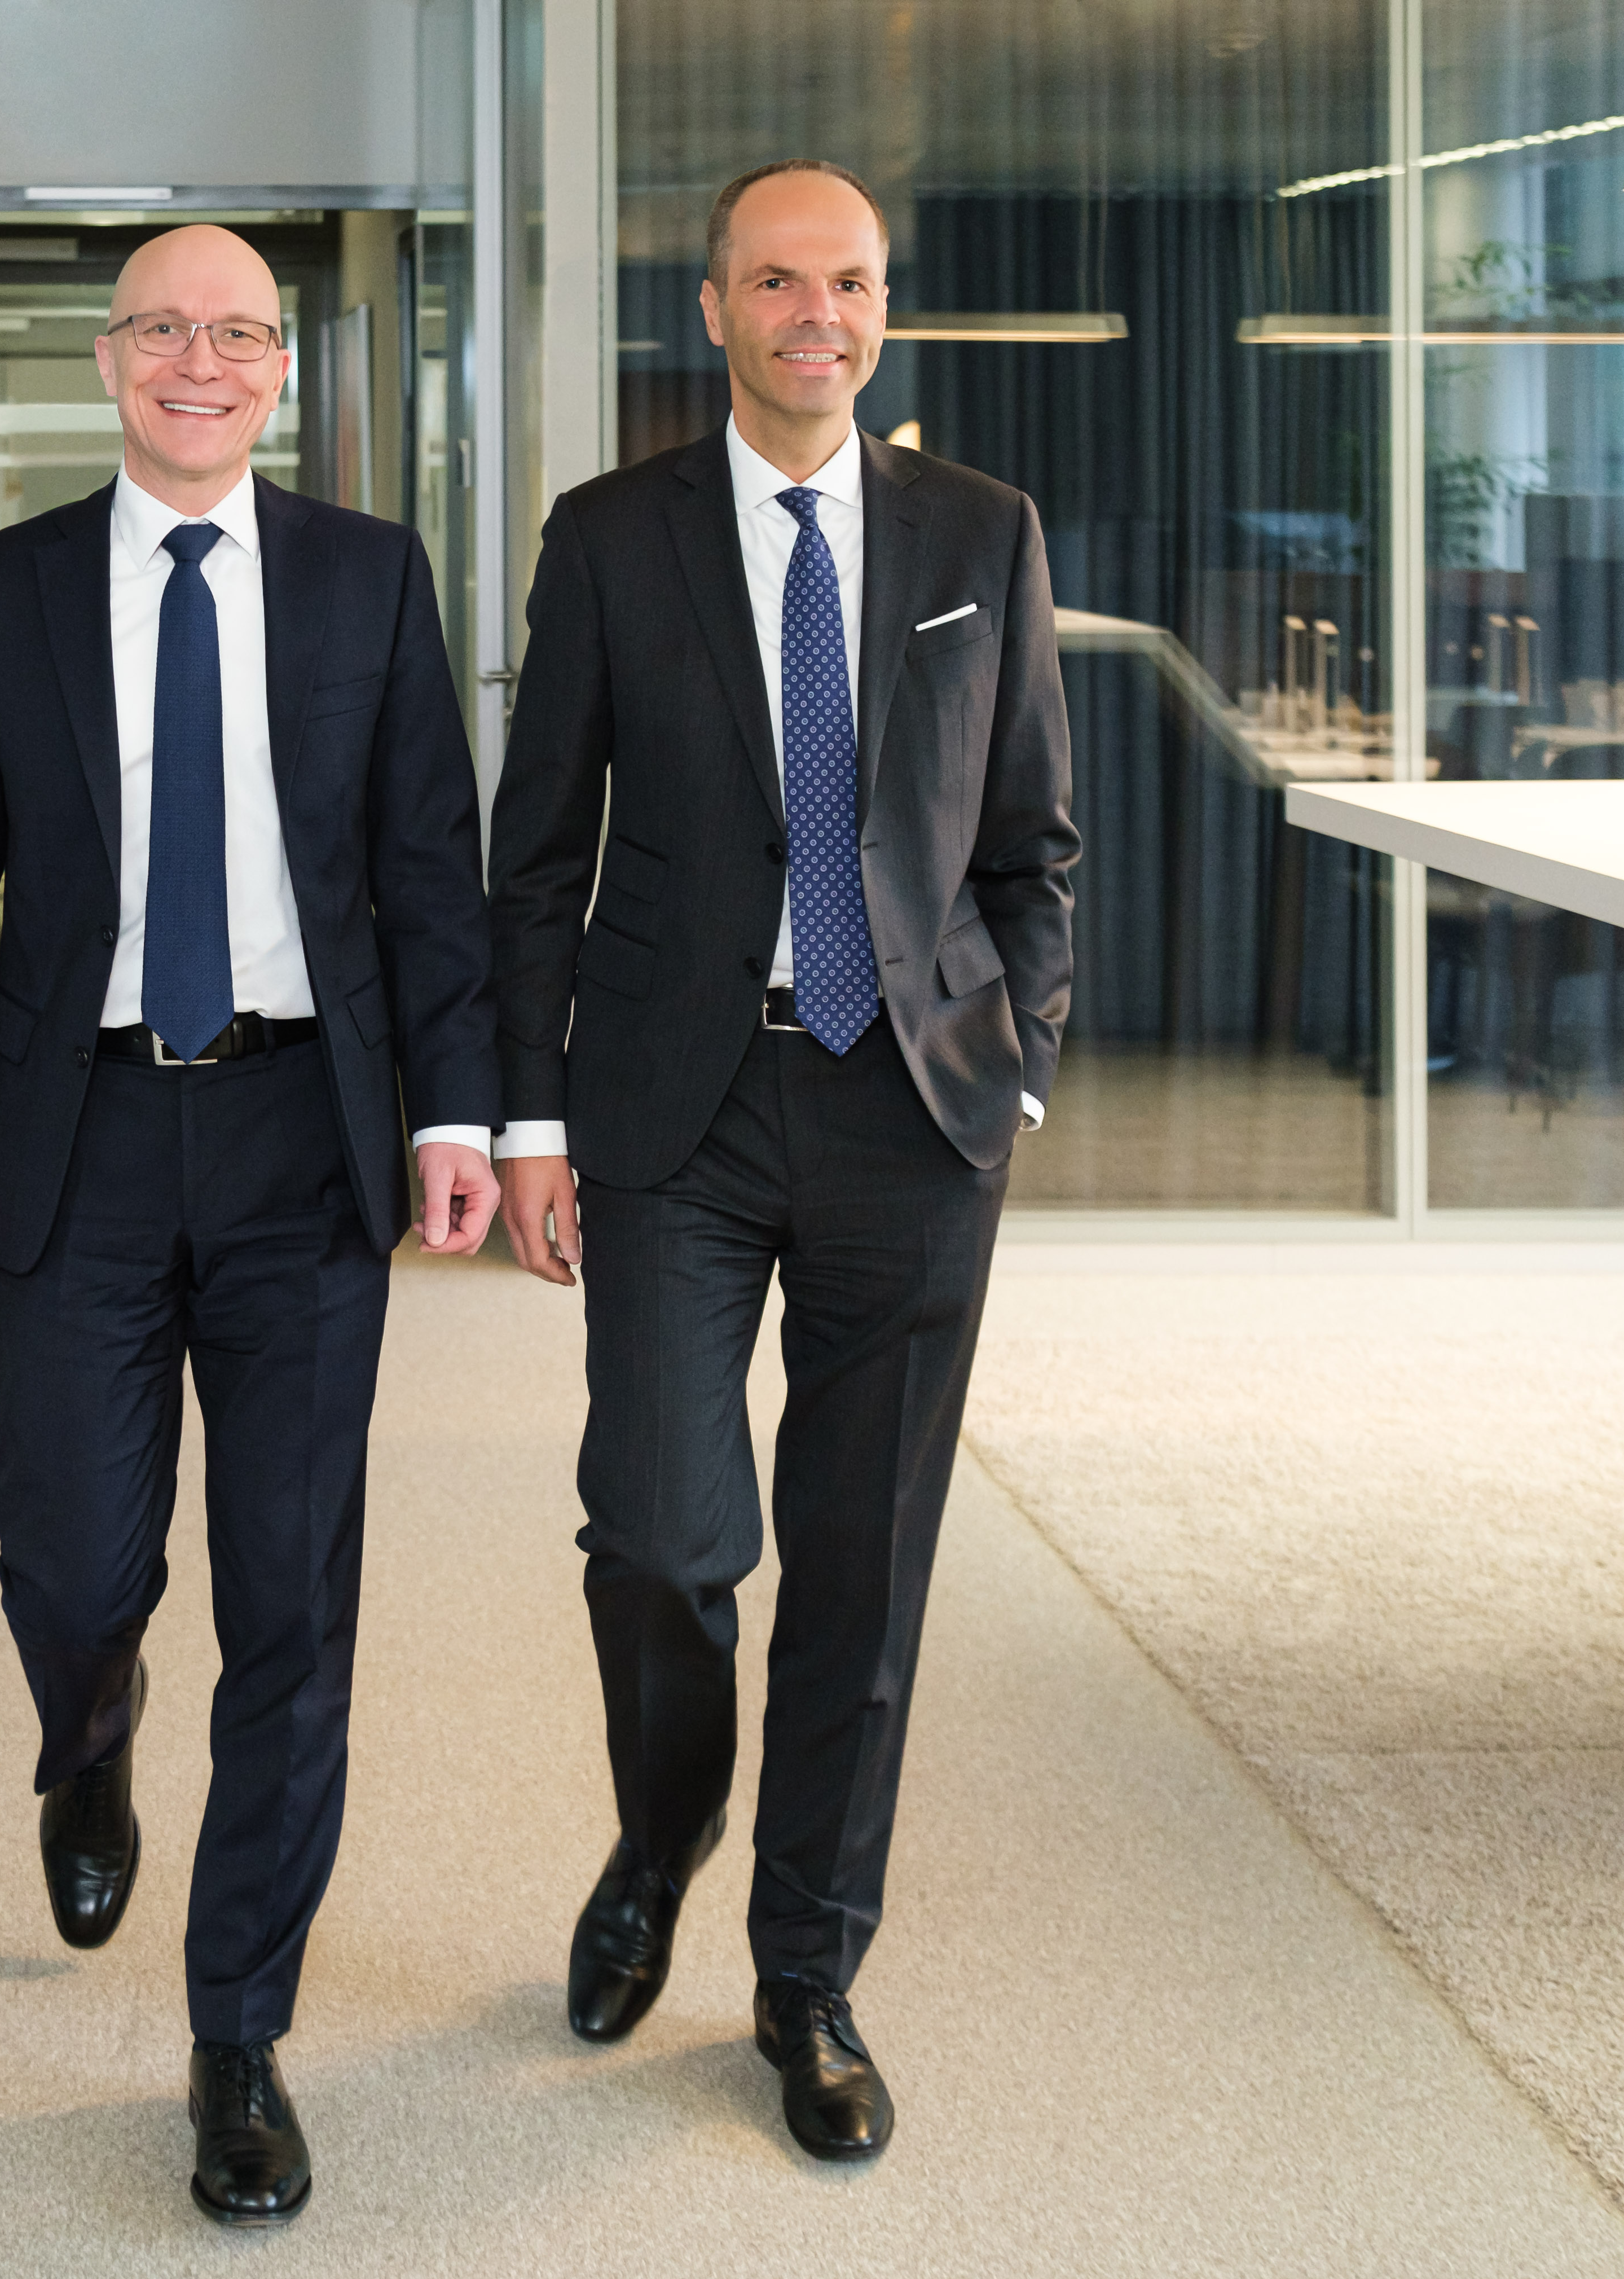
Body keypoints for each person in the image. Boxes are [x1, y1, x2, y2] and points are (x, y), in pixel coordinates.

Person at [0, 225, 499, 2228]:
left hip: (307, 1141)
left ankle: (240, 2032)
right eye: (164, 330)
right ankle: (91, 1728)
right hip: (81, 1133)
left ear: (281, 371)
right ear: (109, 358)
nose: (200, 363)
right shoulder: (1, 591)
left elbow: (431, 868)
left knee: (294, 1599)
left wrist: (459, 1111)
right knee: (72, 1558)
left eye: (238, 334)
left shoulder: (369, 577)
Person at [487, 158, 1075, 2165]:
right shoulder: (611, 536)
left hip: (914, 1110)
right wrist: (534, 1116)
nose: (818, 314)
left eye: (851, 283)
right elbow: (536, 855)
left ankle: (806, 1975)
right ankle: (661, 1840)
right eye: (778, 281)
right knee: (661, 1534)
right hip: (680, 1105)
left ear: (882, 308)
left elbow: (1032, 842)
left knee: (862, 1567)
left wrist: (1017, 1069)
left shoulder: (983, 532)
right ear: (717, 307)